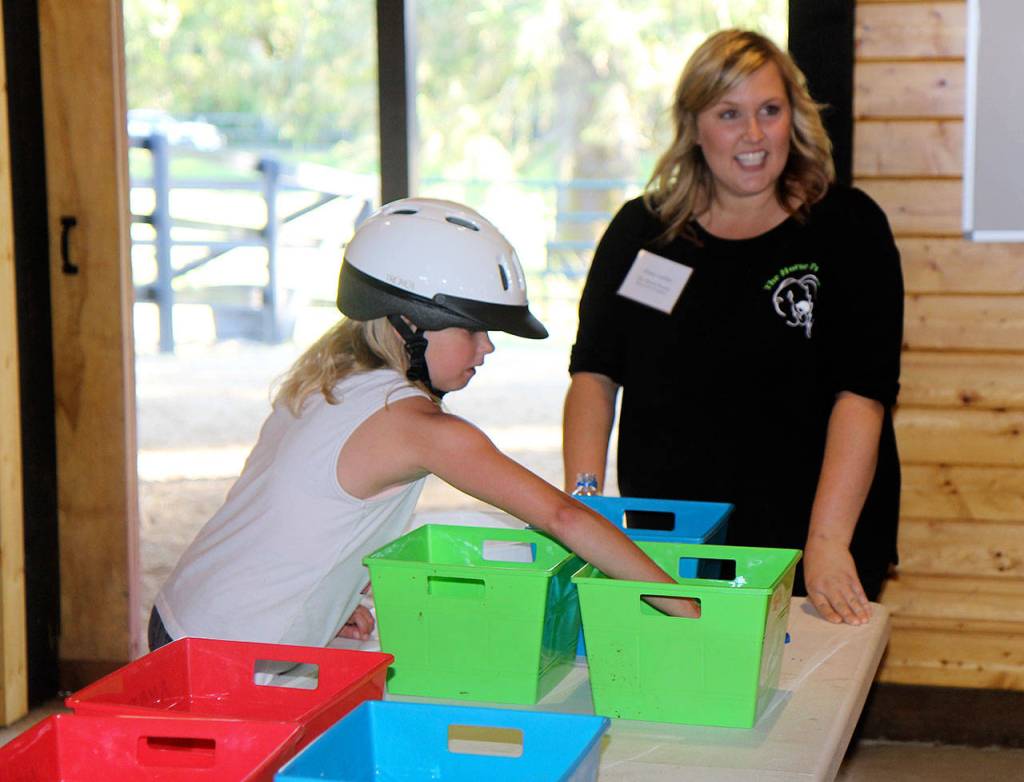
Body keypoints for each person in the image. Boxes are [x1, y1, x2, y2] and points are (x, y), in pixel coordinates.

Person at [150, 197, 698, 653]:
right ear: (411, 321)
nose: (486, 347)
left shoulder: (326, 381)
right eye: (474, 329)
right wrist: (693, 611)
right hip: (225, 657)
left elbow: (285, 518)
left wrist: (324, 600)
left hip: (186, 617)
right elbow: (562, 516)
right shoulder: (421, 428)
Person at [562, 29, 904, 626]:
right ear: (694, 125)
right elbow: (594, 374)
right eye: (729, 114)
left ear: (792, 117)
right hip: (674, 540)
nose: (753, 135)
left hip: (817, 538)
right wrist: (585, 506)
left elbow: (864, 395)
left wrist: (824, 541)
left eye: (769, 111)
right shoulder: (641, 233)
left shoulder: (848, 229)